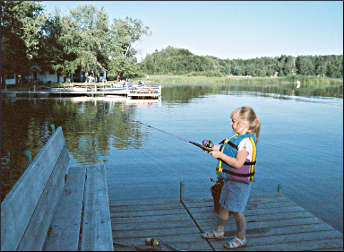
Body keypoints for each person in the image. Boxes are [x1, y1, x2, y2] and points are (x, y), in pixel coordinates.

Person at [201, 106, 261, 249]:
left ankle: (241, 238)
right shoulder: (236, 139)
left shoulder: (246, 143)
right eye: (231, 121)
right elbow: (220, 148)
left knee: (237, 211)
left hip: (239, 184)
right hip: (230, 181)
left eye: (235, 122)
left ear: (245, 124)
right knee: (223, 206)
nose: (231, 124)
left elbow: (238, 163)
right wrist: (212, 148)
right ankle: (219, 231)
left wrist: (220, 155)